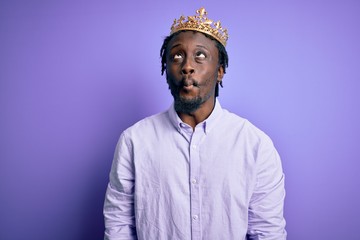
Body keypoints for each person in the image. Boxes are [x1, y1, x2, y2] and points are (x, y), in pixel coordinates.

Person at [103, 7, 286, 240]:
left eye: (200, 55)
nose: (187, 66)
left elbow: (267, 232)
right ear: (166, 69)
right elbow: (118, 225)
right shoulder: (134, 141)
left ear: (220, 71)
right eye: (177, 56)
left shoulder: (255, 145)